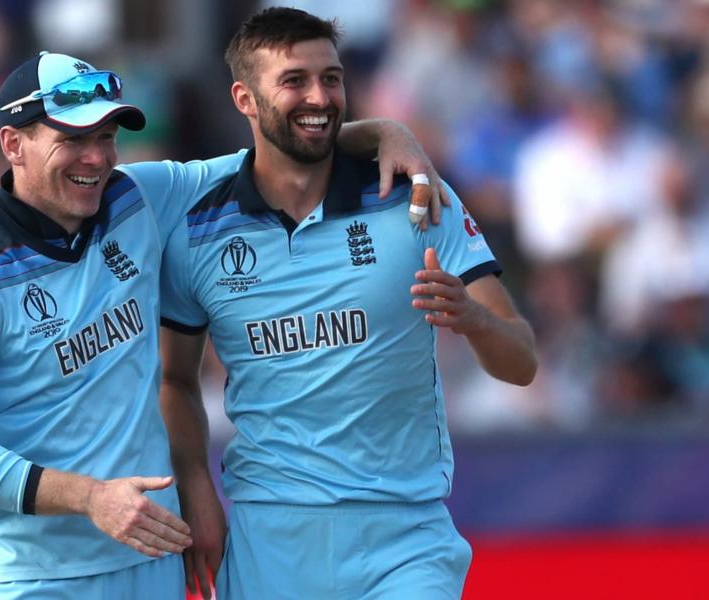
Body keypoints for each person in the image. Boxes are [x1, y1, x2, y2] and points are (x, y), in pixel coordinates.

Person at [0, 49, 443, 599]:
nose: (96, 158)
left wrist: (383, 133)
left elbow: (275, 157)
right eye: (72, 139)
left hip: (152, 560)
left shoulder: (134, 198)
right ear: (13, 145)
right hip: (32, 577)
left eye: (106, 137)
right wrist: (91, 498)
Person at [158, 8, 538, 600]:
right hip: (268, 542)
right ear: (244, 98)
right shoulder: (198, 227)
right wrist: (196, 488)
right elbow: (175, 381)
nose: (320, 96)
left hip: (406, 539)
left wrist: (474, 318)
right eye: (294, 81)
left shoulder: (411, 193)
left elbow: (522, 361)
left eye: (331, 78)